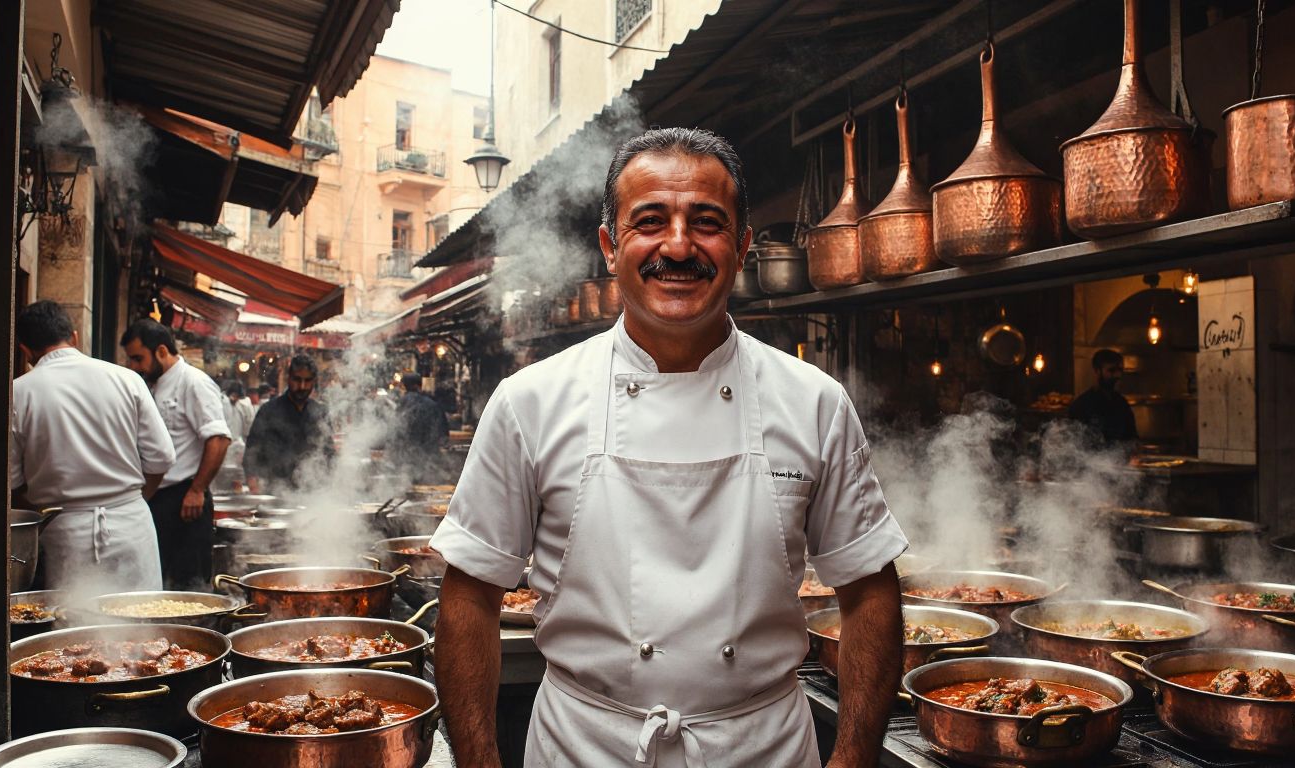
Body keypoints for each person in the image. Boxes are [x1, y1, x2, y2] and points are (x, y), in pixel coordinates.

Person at [432, 128, 908, 768]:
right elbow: (469, 596)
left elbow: (869, 590)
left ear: (741, 247)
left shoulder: (815, 403)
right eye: (650, 221)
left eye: (706, 223)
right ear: (609, 246)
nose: (678, 246)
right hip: (584, 748)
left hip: (761, 749)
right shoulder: (528, 403)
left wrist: (852, 760)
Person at [10, 301, 176, 592]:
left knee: (75, 629)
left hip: (65, 532)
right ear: (74, 337)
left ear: (25, 350)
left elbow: (11, 483)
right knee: (143, 624)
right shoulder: (128, 379)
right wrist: (129, 500)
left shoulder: (18, 392)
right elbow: (162, 458)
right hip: (132, 525)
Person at [121, 319, 232, 590]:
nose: (134, 366)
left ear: (161, 351)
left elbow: (218, 439)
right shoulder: (152, 385)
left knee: (188, 586)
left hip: (186, 501)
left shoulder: (193, 382)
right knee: (159, 583)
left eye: (138, 358)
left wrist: (197, 489)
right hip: (157, 500)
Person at [245, 355, 334, 493]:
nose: (302, 386)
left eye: (307, 381)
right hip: (275, 491)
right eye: (297, 380)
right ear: (289, 378)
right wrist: (253, 482)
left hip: (313, 493)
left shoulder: (320, 412)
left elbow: (329, 454)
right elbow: (252, 451)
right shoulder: (268, 411)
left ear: (314, 381)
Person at [1069, 348, 1139, 447]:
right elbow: (1076, 445)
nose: (1117, 375)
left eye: (1120, 370)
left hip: (1120, 460)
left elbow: (1132, 438)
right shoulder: (1082, 405)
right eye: (1111, 370)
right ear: (1097, 371)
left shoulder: (1122, 403)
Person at [389, 372, 450, 483]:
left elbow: (396, 431)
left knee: (406, 488)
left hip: (405, 459)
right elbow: (443, 432)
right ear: (419, 386)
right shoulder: (432, 404)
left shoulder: (402, 405)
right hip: (429, 457)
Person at [221, 381, 255, 469]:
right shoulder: (222, 403)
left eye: (237, 396)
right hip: (224, 443)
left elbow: (248, 424)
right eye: (233, 395)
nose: (235, 398)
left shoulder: (243, 406)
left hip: (238, 442)